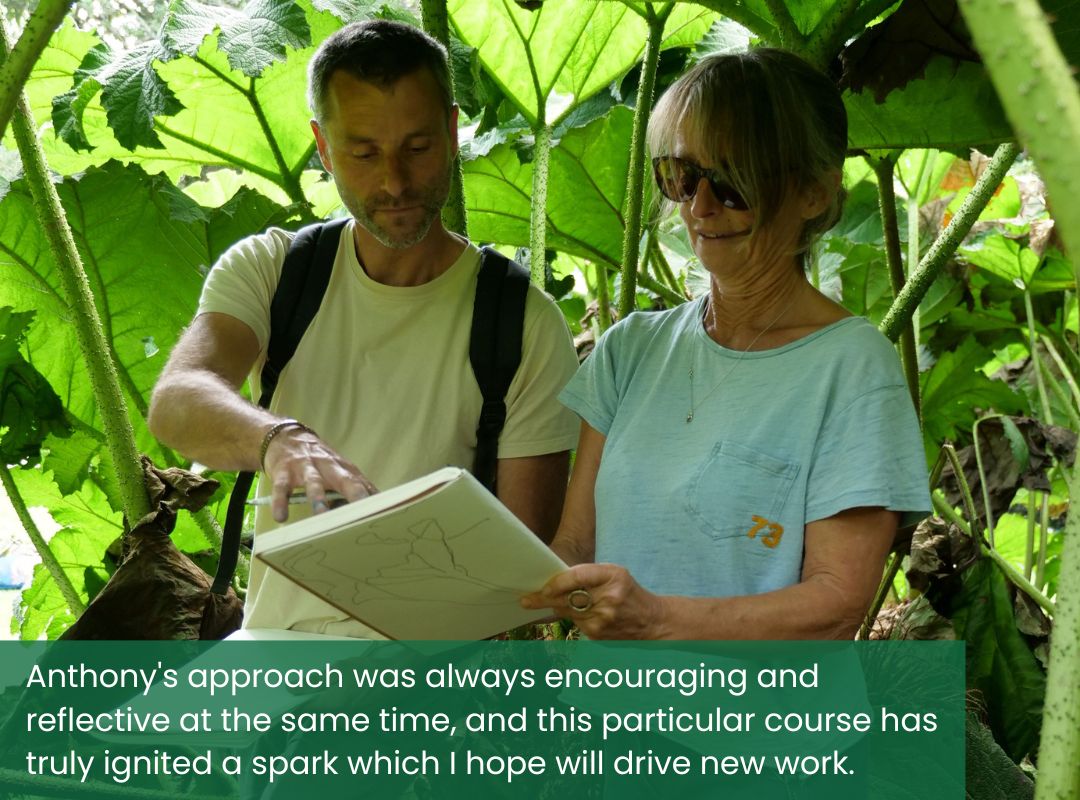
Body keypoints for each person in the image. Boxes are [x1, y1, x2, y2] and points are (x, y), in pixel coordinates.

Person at [148, 19, 580, 638]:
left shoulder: (524, 322)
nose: (395, 182)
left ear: (454, 132)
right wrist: (280, 440)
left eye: (418, 147)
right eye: (364, 153)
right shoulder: (273, 269)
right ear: (323, 149)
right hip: (272, 660)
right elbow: (176, 400)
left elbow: (519, 573)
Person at [522, 48, 931, 640]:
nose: (700, 206)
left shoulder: (852, 366)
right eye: (681, 176)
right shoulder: (630, 348)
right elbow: (575, 544)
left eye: (733, 182)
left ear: (813, 193)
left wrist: (658, 619)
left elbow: (838, 600)